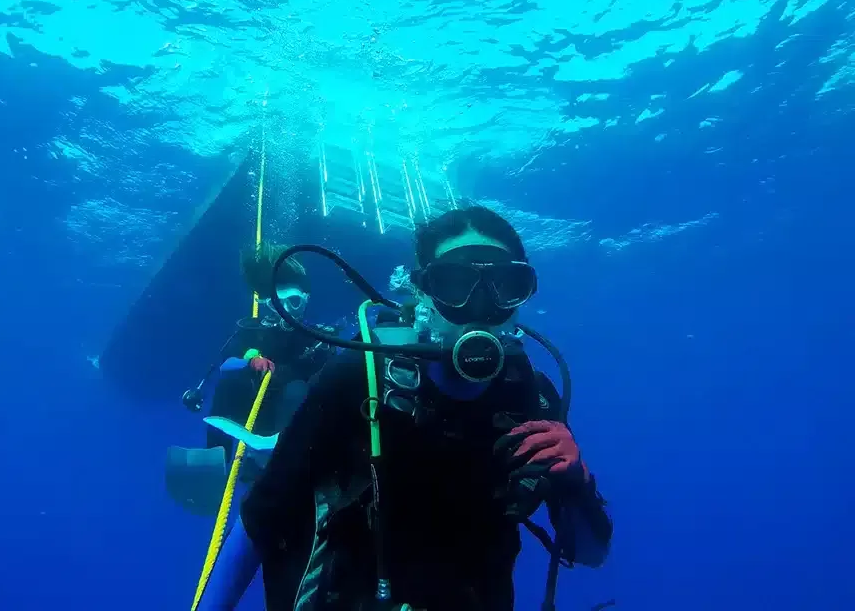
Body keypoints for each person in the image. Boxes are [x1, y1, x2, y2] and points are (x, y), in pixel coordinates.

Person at [199, 206, 613, 610]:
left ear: (521, 296)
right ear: (423, 294)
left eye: (504, 285)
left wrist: (576, 483)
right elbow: (259, 522)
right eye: (455, 283)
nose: (480, 308)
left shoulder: (531, 399)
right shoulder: (360, 379)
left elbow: (590, 553)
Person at [165, 242, 337, 516]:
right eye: (280, 304)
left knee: (297, 390)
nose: (288, 312)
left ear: (305, 299)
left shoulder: (319, 339)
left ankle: (283, 465)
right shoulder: (254, 331)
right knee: (228, 384)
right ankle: (214, 460)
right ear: (270, 304)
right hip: (252, 414)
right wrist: (252, 357)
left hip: (291, 421)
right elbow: (228, 361)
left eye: (294, 302)